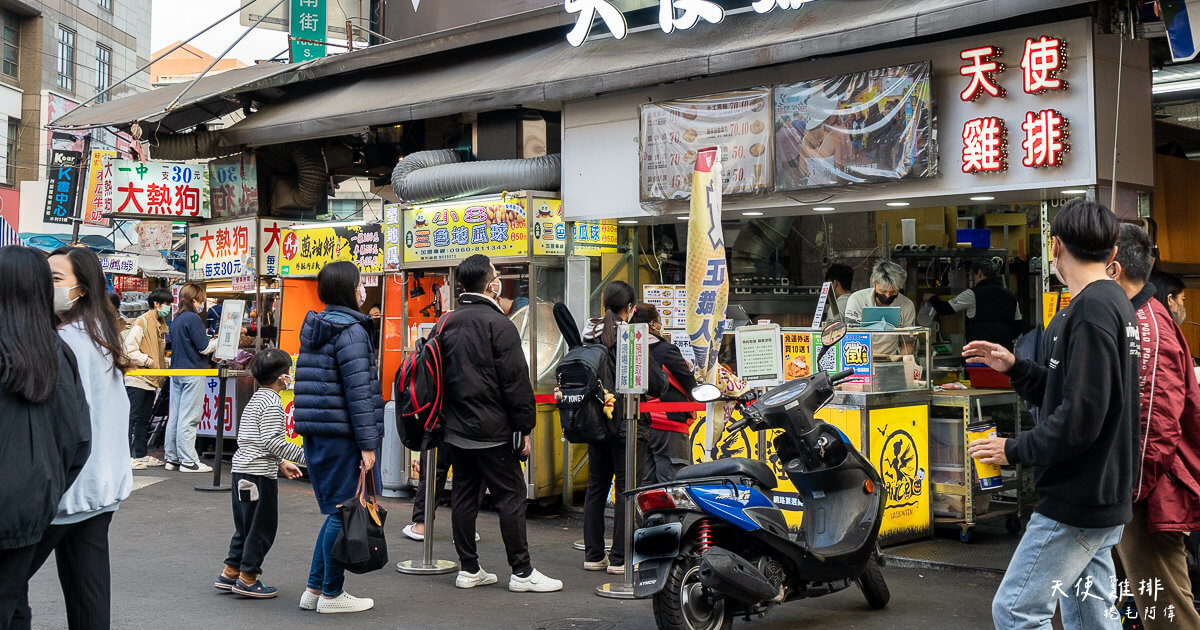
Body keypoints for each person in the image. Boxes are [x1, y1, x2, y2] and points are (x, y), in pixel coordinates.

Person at [965, 199, 1139, 630]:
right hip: (1101, 492)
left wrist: (1014, 448)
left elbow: (1080, 417)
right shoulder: (1108, 304)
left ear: (1054, 246)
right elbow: (1077, 396)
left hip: (1077, 496)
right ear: (1112, 252)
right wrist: (1018, 368)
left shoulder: (1092, 310)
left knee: (1016, 611)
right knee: (1091, 617)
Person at [19, 247, 135, 630]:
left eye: (55, 279)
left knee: (8, 581)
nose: (45, 286)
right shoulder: (101, 334)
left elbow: (62, 425)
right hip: (101, 489)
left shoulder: (65, 341)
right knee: (89, 592)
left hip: (66, 491)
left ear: (82, 289)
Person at [437, 254, 562, 592]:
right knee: (511, 496)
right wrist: (525, 429)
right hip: (493, 429)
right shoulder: (499, 325)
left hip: (456, 428)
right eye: (496, 273)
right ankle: (521, 572)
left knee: (463, 495)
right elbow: (516, 383)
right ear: (490, 284)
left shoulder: (446, 322)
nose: (499, 278)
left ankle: (469, 568)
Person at [1107, 224, 1200, 629]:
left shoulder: (1148, 325)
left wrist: (1127, 493)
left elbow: (1153, 428)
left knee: (1167, 611)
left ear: (1113, 268)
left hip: (1147, 494)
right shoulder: (1131, 317)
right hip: (1127, 491)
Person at [0, 246, 90, 629]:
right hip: (30, 505)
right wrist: (45, 486)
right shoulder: (58, 352)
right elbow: (78, 441)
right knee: (12, 599)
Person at [294, 261, 383, 614]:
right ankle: (332, 593)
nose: (364, 289)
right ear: (349, 289)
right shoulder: (352, 332)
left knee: (336, 511)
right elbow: (359, 393)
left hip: (320, 434)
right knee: (342, 513)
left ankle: (315, 589)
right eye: (360, 284)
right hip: (343, 435)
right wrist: (367, 445)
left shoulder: (318, 327)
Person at [581, 281, 666, 574]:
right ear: (630, 309)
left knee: (596, 487)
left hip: (596, 421)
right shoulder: (631, 335)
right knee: (627, 491)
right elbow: (658, 384)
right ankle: (619, 558)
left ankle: (593, 555)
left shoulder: (587, 332)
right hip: (628, 423)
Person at [215, 348, 306, 600]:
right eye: (289, 372)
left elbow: (255, 440)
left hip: (241, 472)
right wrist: (305, 458)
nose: (290, 376)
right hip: (257, 476)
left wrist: (280, 463)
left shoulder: (256, 399)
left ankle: (230, 571)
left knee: (245, 526)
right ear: (282, 378)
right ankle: (248, 578)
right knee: (262, 528)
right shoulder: (273, 402)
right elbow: (272, 442)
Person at [631, 304, 697, 484]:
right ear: (653, 324)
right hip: (668, 424)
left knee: (646, 482)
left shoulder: (630, 350)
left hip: (640, 422)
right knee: (673, 482)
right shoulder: (666, 350)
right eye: (660, 319)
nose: (661, 324)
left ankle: (648, 514)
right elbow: (691, 385)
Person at [166, 283, 216, 473]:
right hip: (193, 371)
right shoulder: (193, 319)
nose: (202, 304)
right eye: (201, 300)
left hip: (176, 372)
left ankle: (172, 458)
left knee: (176, 417)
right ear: (195, 299)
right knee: (189, 418)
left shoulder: (177, 319)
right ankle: (188, 461)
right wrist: (219, 341)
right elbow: (203, 347)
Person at [123, 287, 173, 471]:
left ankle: (141, 455)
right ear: (156, 304)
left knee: (143, 419)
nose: (168, 308)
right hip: (137, 377)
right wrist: (148, 361)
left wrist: (163, 363)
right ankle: (126, 456)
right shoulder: (142, 321)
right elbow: (129, 349)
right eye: (166, 304)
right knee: (131, 418)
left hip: (150, 379)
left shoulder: (159, 324)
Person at [925, 259, 1022, 349]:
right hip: (1004, 355)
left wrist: (932, 298)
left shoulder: (972, 294)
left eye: (974, 275)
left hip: (979, 357)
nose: (973, 279)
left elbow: (944, 309)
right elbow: (1018, 326)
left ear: (980, 273)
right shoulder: (1011, 296)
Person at [843, 260, 916, 355]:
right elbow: (851, 337)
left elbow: (908, 343)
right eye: (883, 291)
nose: (888, 295)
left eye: (893, 292)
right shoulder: (857, 300)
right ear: (874, 283)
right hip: (860, 358)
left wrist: (903, 363)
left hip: (890, 359)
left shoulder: (906, 305)